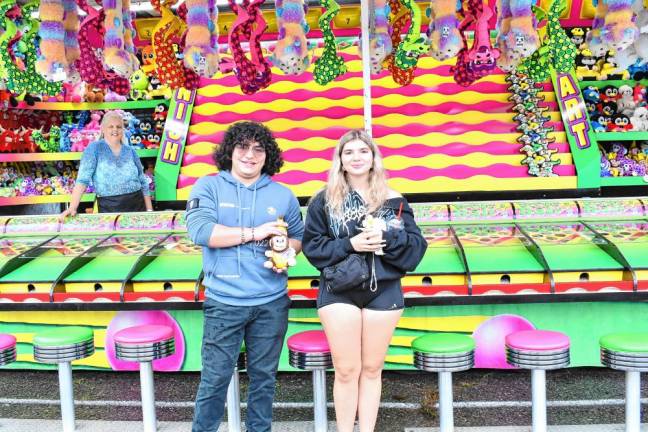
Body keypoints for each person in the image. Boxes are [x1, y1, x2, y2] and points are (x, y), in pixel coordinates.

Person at [302, 129, 427, 432]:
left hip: (383, 291)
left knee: (372, 369)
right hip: (339, 290)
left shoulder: (394, 200)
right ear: (340, 160)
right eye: (349, 152)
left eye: (363, 151)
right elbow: (313, 248)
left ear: (373, 158)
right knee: (346, 370)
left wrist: (387, 237)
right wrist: (351, 245)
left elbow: (415, 249)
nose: (356, 158)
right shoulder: (323, 201)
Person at [186, 121, 304, 432]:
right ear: (230, 151)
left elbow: (299, 239)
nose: (249, 155)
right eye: (242, 147)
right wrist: (255, 233)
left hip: (271, 303)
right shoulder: (208, 187)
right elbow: (201, 231)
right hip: (224, 303)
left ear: (268, 156)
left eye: (258, 149)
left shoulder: (283, 195)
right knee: (214, 380)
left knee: (264, 380)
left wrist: (286, 251)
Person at [59, 110, 153, 219]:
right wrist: (72, 207)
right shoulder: (94, 149)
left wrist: (149, 211)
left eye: (118, 127)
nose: (115, 130)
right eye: (110, 126)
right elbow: (82, 180)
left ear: (123, 129)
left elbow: (142, 180)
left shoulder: (130, 151)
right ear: (103, 129)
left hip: (137, 206)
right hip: (108, 208)